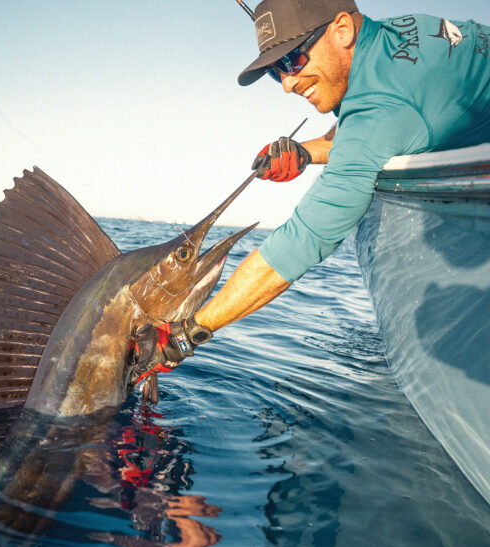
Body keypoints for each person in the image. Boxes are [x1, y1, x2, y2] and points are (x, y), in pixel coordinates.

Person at [130, 0, 490, 380]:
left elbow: (300, 242)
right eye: (275, 71)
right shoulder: (395, 38)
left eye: (292, 61)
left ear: (342, 30)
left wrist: (183, 337)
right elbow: (375, 122)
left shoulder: (382, 111)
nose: (286, 84)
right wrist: (304, 152)